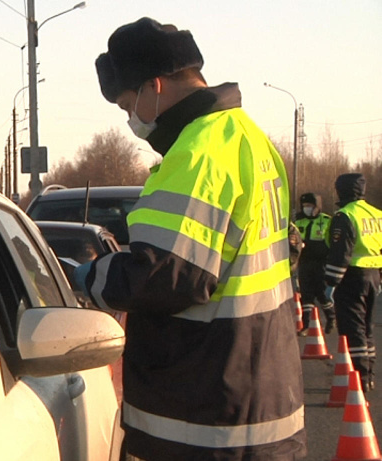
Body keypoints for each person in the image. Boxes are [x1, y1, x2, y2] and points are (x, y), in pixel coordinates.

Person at [77, 17, 306, 460]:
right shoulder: (250, 138)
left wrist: (90, 276)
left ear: (154, 87)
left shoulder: (198, 152)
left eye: (128, 106)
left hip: (206, 417)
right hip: (264, 397)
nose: (132, 121)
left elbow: (166, 275)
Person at [323, 173, 382, 393]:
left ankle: (359, 376)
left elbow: (341, 253)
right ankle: (369, 373)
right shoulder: (376, 214)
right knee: (367, 326)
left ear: (341, 190)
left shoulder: (344, 216)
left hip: (352, 277)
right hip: (373, 275)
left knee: (352, 326)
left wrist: (331, 282)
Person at [294, 192, 335, 333]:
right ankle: (306, 325)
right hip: (304, 262)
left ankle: (331, 318)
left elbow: (332, 242)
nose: (307, 208)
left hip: (321, 263)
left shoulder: (327, 221)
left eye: (310, 206)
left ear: (317, 206)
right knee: (306, 294)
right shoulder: (298, 221)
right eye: (304, 206)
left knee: (322, 293)